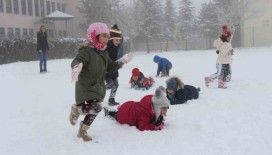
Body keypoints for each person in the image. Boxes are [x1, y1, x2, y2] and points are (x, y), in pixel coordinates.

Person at [69, 22, 133, 142]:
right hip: (86, 87)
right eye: (103, 36)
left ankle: (82, 131)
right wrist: (76, 67)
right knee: (96, 108)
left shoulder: (104, 52)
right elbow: (77, 60)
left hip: (98, 87)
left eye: (107, 36)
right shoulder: (86, 51)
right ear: (94, 35)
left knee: (96, 109)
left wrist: (122, 61)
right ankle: (76, 110)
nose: (106, 39)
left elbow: (110, 66)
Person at [104, 87, 169, 131]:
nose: (165, 112)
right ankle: (110, 113)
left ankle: (116, 111)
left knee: (124, 111)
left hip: (129, 105)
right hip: (124, 115)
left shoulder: (151, 101)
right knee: (117, 115)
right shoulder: (145, 112)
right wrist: (154, 127)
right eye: (163, 109)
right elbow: (142, 126)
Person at [105, 24, 123, 106]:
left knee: (116, 84)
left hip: (113, 69)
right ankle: (96, 93)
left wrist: (122, 61)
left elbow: (115, 58)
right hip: (107, 70)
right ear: (111, 39)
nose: (118, 42)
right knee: (110, 84)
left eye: (119, 40)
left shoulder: (117, 46)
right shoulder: (107, 46)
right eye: (116, 40)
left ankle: (111, 100)